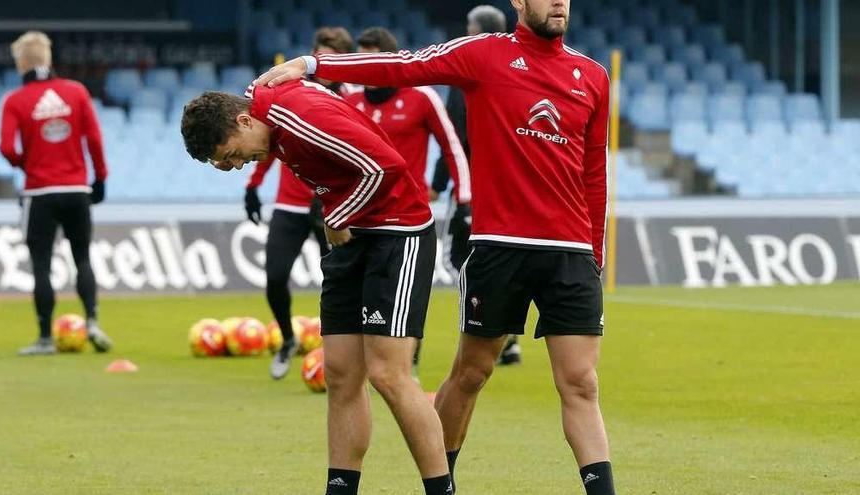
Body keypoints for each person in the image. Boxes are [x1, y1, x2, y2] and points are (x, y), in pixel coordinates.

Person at [252, 0, 616, 493]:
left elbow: (594, 172)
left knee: (581, 383)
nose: (558, 2)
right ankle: (441, 480)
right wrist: (316, 64)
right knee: (471, 374)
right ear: (518, 2)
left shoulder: (592, 75)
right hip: (498, 247)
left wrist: (595, 251)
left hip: (570, 253)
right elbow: (405, 64)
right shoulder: (482, 55)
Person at [180, 83, 453, 495]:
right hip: (349, 238)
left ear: (243, 120)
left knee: (388, 375)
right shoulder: (265, 112)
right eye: (227, 163)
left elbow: (385, 167)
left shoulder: (297, 116)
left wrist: (336, 214)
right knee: (341, 375)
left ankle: (440, 490)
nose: (237, 165)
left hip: (397, 233)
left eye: (232, 154)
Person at [343, 26, 470, 377]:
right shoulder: (350, 101)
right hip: (359, 217)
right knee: (360, 297)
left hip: (409, 220)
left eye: (371, 60)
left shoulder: (422, 97)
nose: (364, 69)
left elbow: (452, 145)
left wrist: (464, 198)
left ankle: (407, 362)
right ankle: (361, 364)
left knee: (408, 298)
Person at [244, 27, 354, 380]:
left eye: (333, 57)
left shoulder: (351, 98)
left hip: (331, 207)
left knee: (339, 280)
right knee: (275, 277)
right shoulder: (292, 92)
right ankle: (288, 340)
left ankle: (342, 351)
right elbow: (266, 139)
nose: (325, 65)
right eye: (321, 56)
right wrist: (253, 185)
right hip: (290, 204)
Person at [0, 31, 112, 356]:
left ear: (21, 63)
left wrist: (26, 163)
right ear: (48, 59)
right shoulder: (75, 92)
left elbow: (6, 147)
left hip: (40, 192)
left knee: (41, 264)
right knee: (82, 257)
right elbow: (94, 138)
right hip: (77, 188)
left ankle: (45, 338)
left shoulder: (15, 101)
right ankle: (91, 320)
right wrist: (100, 178)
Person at [429, 4, 523, 367]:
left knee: (458, 260)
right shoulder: (519, 72)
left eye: (468, 27)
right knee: (506, 257)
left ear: (478, 31)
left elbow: (453, 134)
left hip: (472, 186)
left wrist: (439, 182)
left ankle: (491, 328)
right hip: (512, 186)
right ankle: (508, 336)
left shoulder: (467, 73)